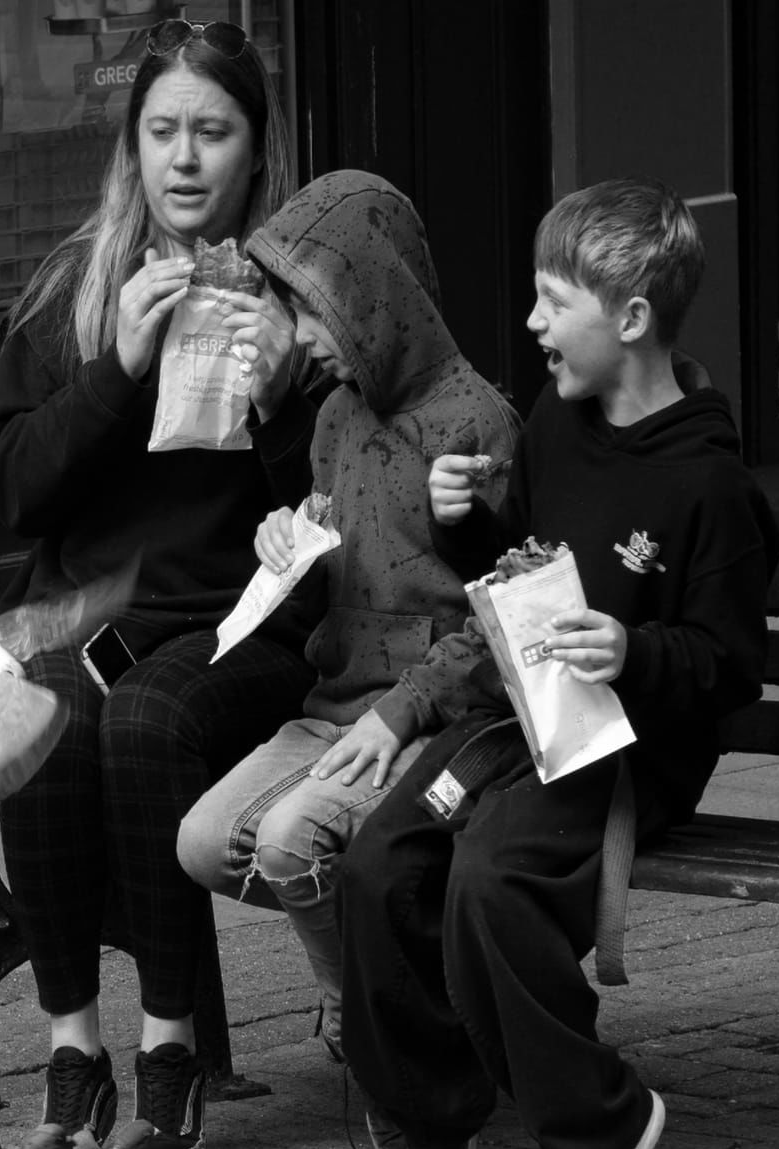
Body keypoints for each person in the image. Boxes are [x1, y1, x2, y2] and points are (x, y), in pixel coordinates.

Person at [335, 178, 779, 1149]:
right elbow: (517, 571)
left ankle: (599, 1126)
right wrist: (463, 528)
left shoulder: (710, 486)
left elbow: (727, 664)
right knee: (376, 866)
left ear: (628, 321)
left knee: (490, 883)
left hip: (626, 750)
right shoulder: (556, 420)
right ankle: (435, 1115)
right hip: (516, 718)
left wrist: (633, 649)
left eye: (552, 301)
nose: (531, 323)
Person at [0, 16, 319, 1149]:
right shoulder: (78, 285)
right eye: (162, 130)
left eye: (210, 132)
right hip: (90, 619)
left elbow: (332, 525)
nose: (184, 158)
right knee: (40, 713)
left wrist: (278, 397)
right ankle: (74, 1050)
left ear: (253, 149)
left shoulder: (294, 292)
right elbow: (15, 490)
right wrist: (112, 367)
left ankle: (169, 1050)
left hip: (240, 627)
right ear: (132, 146)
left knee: (144, 723)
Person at [176, 169, 519, 1073]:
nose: (307, 338)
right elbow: (339, 563)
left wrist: (402, 711)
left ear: (374, 300)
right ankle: (376, 990)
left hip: (434, 722)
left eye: (316, 311)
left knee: (293, 845)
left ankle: (384, 1037)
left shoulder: (478, 420)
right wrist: (288, 544)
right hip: (335, 707)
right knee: (204, 842)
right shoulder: (334, 418)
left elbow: (507, 613)